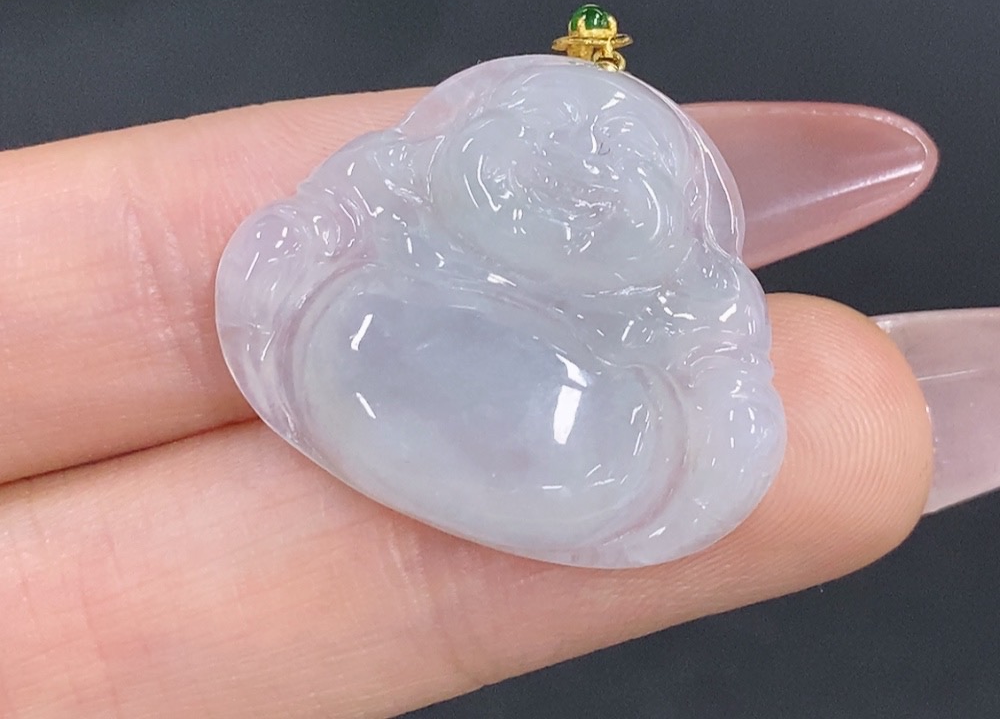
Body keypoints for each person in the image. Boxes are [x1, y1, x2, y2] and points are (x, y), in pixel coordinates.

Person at [0, 86, 975, 718]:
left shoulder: (681, 297)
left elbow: (710, 374)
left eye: (616, 171)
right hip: (383, 341)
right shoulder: (388, 207)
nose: (576, 182)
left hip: (591, 433)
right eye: (538, 151)